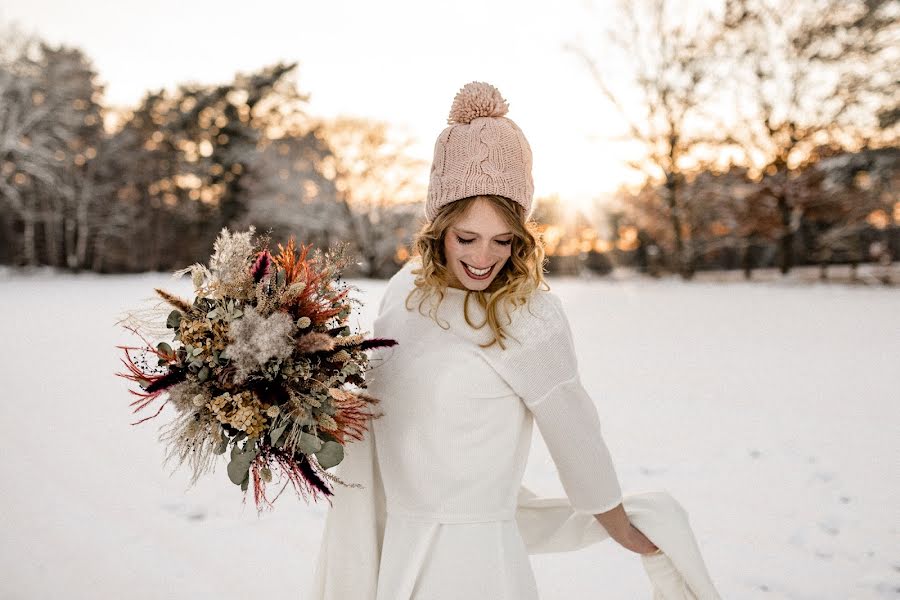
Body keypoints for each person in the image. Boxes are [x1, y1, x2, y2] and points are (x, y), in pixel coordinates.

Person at [309, 82, 721, 600]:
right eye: (467, 237)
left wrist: (616, 523)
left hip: (476, 561)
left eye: (503, 240)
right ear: (438, 228)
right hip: (399, 545)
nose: (485, 257)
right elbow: (384, 402)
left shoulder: (526, 313)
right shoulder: (405, 292)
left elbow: (572, 424)